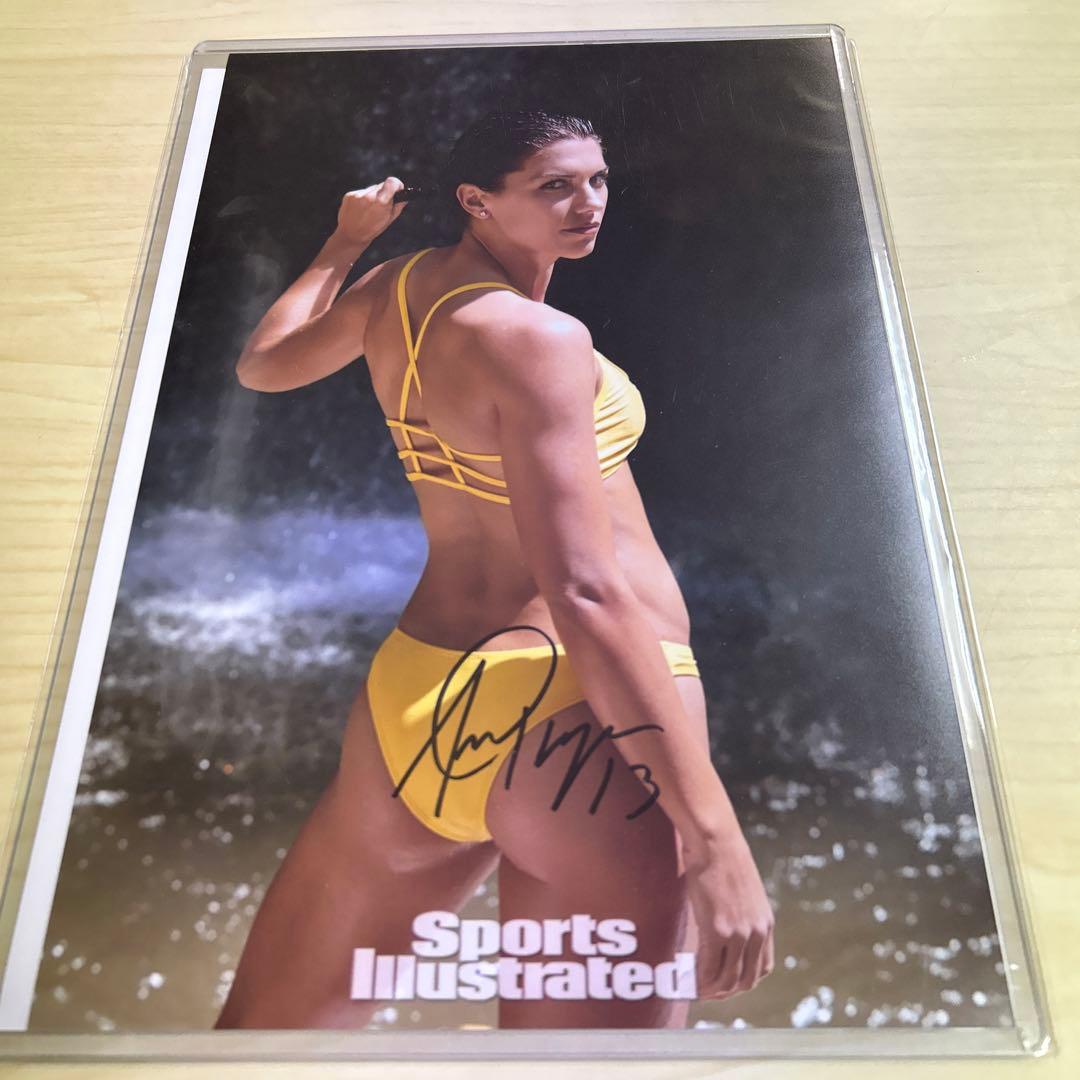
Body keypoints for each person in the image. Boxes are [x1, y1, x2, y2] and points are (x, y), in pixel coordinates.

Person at [215, 109, 773, 1030]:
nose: (588, 203)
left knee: (258, 1052)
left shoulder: (396, 288)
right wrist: (716, 840)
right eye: (555, 186)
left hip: (416, 704)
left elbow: (265, 366)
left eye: (596, 179)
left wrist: (345, 244)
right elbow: (584, 591)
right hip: (582, 710)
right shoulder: (538, 338)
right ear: (477, 200)